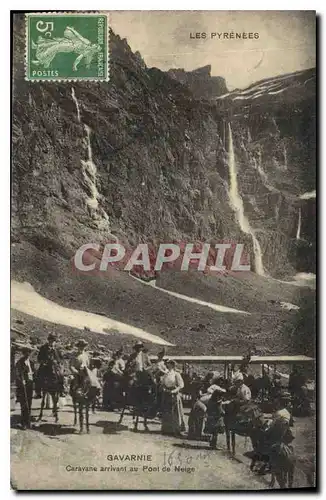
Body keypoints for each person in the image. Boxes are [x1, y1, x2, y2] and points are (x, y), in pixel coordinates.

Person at [161, 360, 186, 436]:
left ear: (172, 365)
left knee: (175, 412)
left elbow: (181, 385)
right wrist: (164, 389)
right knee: (167, 411)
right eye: (167, 364)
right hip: (166, 393)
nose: (168, 365)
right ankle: (167, 429)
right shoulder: (166, 374)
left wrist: (174, 391)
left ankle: (177, 429)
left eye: (169, 364)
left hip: (174, 394)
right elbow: (162, 384)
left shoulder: (176, 374)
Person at [35, 333, 64, 397]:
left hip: (55, 365)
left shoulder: (57, 349)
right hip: (45, 365)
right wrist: (43, 362)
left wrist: (57, 362)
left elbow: (61, 358)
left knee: (61, 375)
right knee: (38, 374)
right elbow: (39, 358)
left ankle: (61, 390)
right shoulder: (43, 348)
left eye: (53, 340)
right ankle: (38, 392)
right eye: (51, 340)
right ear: (48, 340)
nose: (52, 342)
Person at [15, 345, 35, 430]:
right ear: (24, 353)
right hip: (23, 385)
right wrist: (21, 380)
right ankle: (23, 423)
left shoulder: (31, 362)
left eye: (29, 352)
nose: (28, 354)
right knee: (24, 404)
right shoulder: (19, 362)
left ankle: (28, 422)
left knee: (29, 403)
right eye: (26, 352)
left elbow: (33, 372)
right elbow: (18, 374)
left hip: (30, 384)